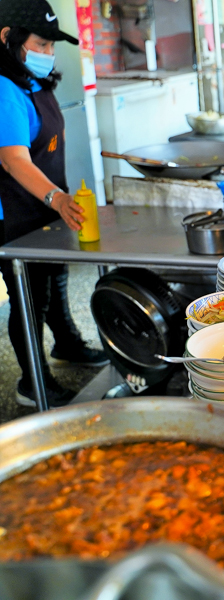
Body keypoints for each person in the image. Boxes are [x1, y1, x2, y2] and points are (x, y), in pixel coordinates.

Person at [0, 0, 108, 408]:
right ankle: (33, 381)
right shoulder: (3, 89)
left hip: (42, 207)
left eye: (51, 46)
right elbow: (13, 159)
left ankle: (67, 344)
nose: (48, 54)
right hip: (14, 212)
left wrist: (56, 200)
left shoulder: (30, 81)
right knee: (29, 297)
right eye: (41, 45)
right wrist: (57, 196)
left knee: (54, 279)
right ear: (7, 39)